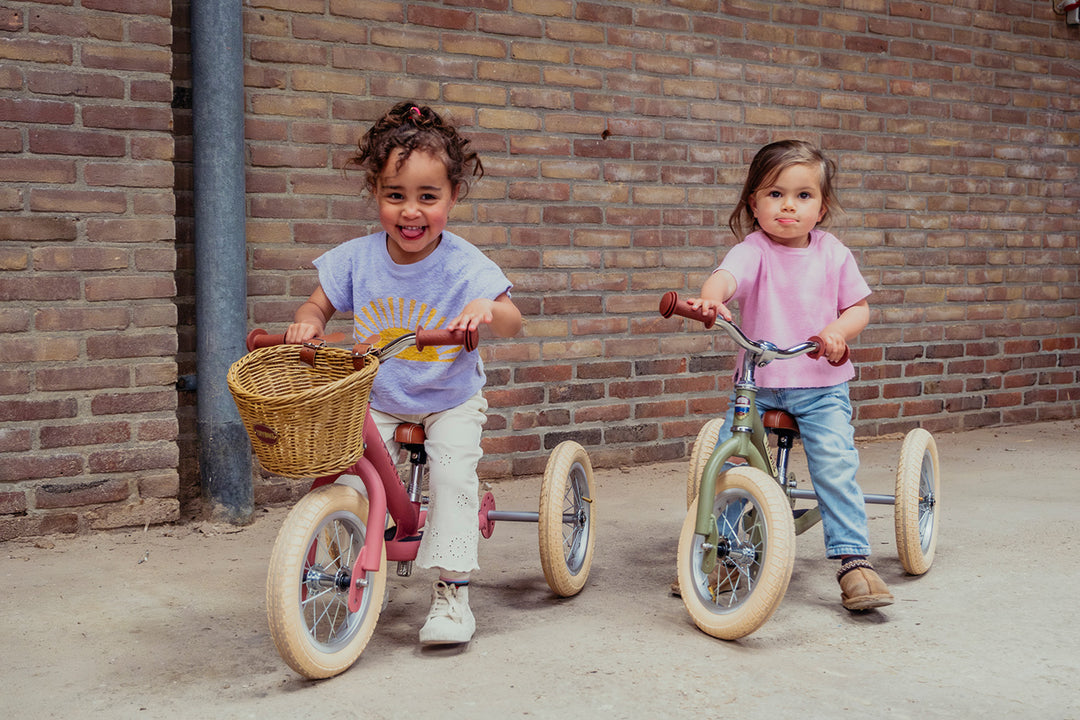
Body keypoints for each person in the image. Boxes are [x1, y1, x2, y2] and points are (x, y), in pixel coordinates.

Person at [286, 101, 523, 644]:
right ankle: (339, 570)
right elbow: (317, 307)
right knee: (347, 475)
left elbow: (512, 321)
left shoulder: (465, 265)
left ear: (452, 198)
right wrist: (307, 323)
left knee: (452, 479)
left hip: (449, 398)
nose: (410, 212)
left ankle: (452, 596)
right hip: (380, 398)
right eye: (395, 196)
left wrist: (487, 309)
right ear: (375, 194)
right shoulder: (356, 258)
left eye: (427, 197)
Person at [686, 139, 893, 611]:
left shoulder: (833, 253)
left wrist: (838, 331)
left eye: (804, 196)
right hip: (756, 387)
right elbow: (726, 276)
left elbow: (858, 309)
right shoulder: (753, 250)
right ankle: (723, 555)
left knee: (835, 467)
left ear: (821, 208)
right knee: (731, 468)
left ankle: (853, 560)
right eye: (775, 194)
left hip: (820, 386)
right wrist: (712, 297)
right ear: (753, 203)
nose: (789, 206)